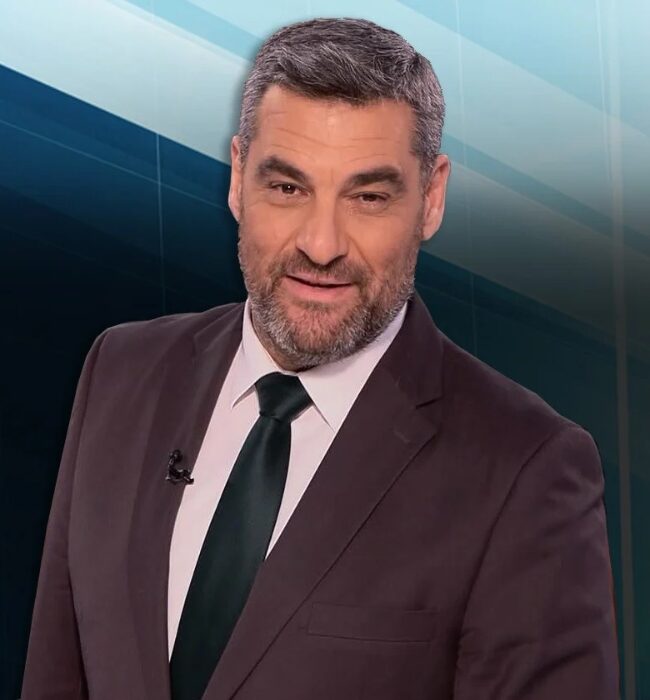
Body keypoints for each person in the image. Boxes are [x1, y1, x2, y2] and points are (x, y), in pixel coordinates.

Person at [21, 16, 618, 700]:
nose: (321, 244)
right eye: (287, 188)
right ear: (238, 176)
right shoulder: (120, 370)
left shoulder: (528, 468)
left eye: (368, 197)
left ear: (430, 199)